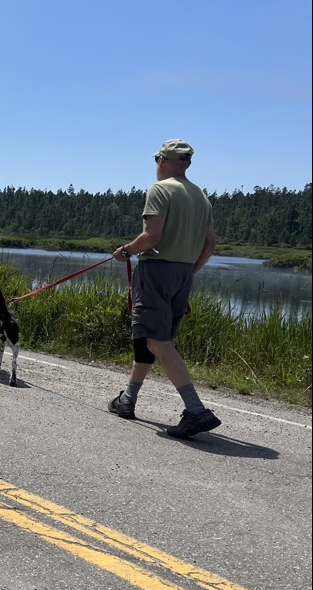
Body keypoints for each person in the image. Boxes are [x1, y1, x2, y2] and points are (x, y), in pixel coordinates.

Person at [108, 139, 220, 438]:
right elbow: (210, 245)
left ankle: (196, 411)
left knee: (157, 340)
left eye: (157, 159)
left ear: (164, 160)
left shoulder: (160, 189)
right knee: (150, 338)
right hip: (184, 272)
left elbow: (152, 235)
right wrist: (188, 271)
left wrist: (127, 251)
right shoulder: (201, 196)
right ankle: (127, 400)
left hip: (157, 270)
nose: (156, 164)